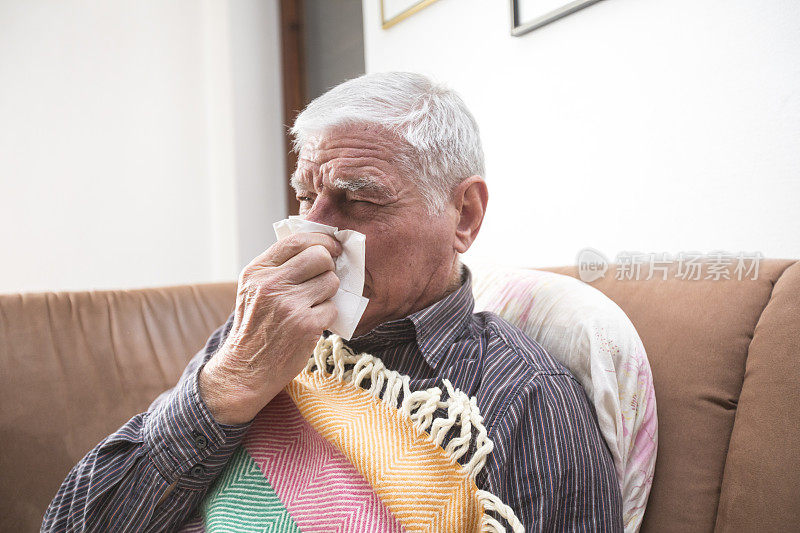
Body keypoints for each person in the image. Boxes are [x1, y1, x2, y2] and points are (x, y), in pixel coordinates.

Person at [42, 72, 622, 531]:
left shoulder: (525, 400)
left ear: (463, 216)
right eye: (305, 197)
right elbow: (74, 523)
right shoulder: (265, 335)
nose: (311, 235)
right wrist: (232, 381)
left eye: (359, 200)